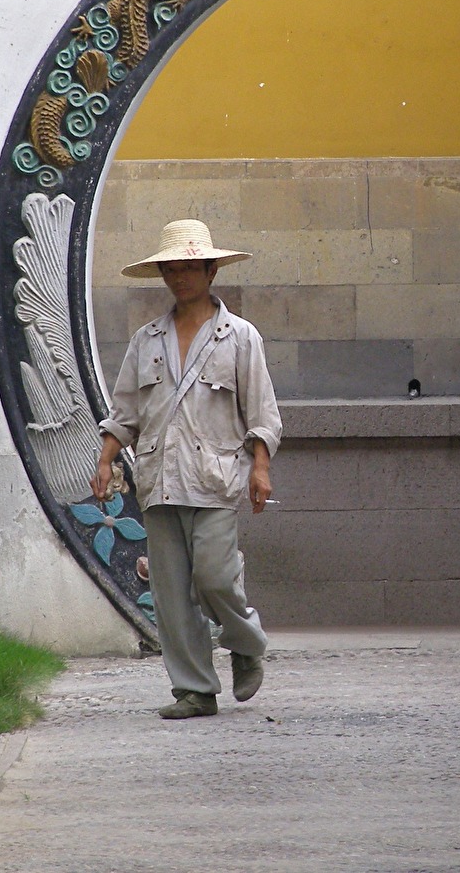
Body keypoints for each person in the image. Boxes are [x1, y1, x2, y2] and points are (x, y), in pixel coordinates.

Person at [93, 219, 282, 720]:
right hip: (158, 478)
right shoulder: (146, 340)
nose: (180, 278)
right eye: (171, 270)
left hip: (215, 477)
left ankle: (246, 643)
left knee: (215, 578)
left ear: (211, 269)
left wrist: (260, 468)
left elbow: (262, 413)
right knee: (172, 592)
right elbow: (126, 411)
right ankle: (194, 689)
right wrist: (107, 457)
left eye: (190, 268)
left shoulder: (239, 337)